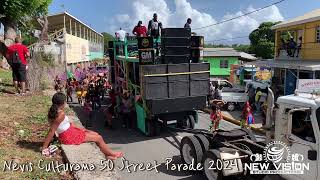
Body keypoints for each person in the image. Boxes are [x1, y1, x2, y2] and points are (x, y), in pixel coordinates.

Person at [42, 92, 123, 159]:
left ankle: (106, 154)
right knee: (99, 138)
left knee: (95, 134)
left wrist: (81, 129)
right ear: (62, 103)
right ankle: (111, 153)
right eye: (65, 101)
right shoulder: (61, 114)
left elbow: (61, 126)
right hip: (68, 135)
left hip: (69, 131)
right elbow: (52, 131)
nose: (65, 103)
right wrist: (44, 147)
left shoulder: (53, 111)